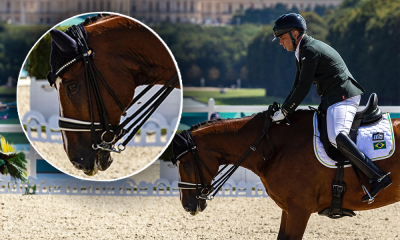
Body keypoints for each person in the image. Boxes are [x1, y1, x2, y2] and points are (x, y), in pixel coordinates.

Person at [271, 13, 391, 202]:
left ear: (295, 34)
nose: (280, 42)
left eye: (282, 38)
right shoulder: (303, 49)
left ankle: (377, 176)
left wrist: (286, 111)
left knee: (337, 136)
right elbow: (297, 84)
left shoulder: (309, 50)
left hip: (343, 96)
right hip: (333, 97)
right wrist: (284, 108)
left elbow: (303, 87)